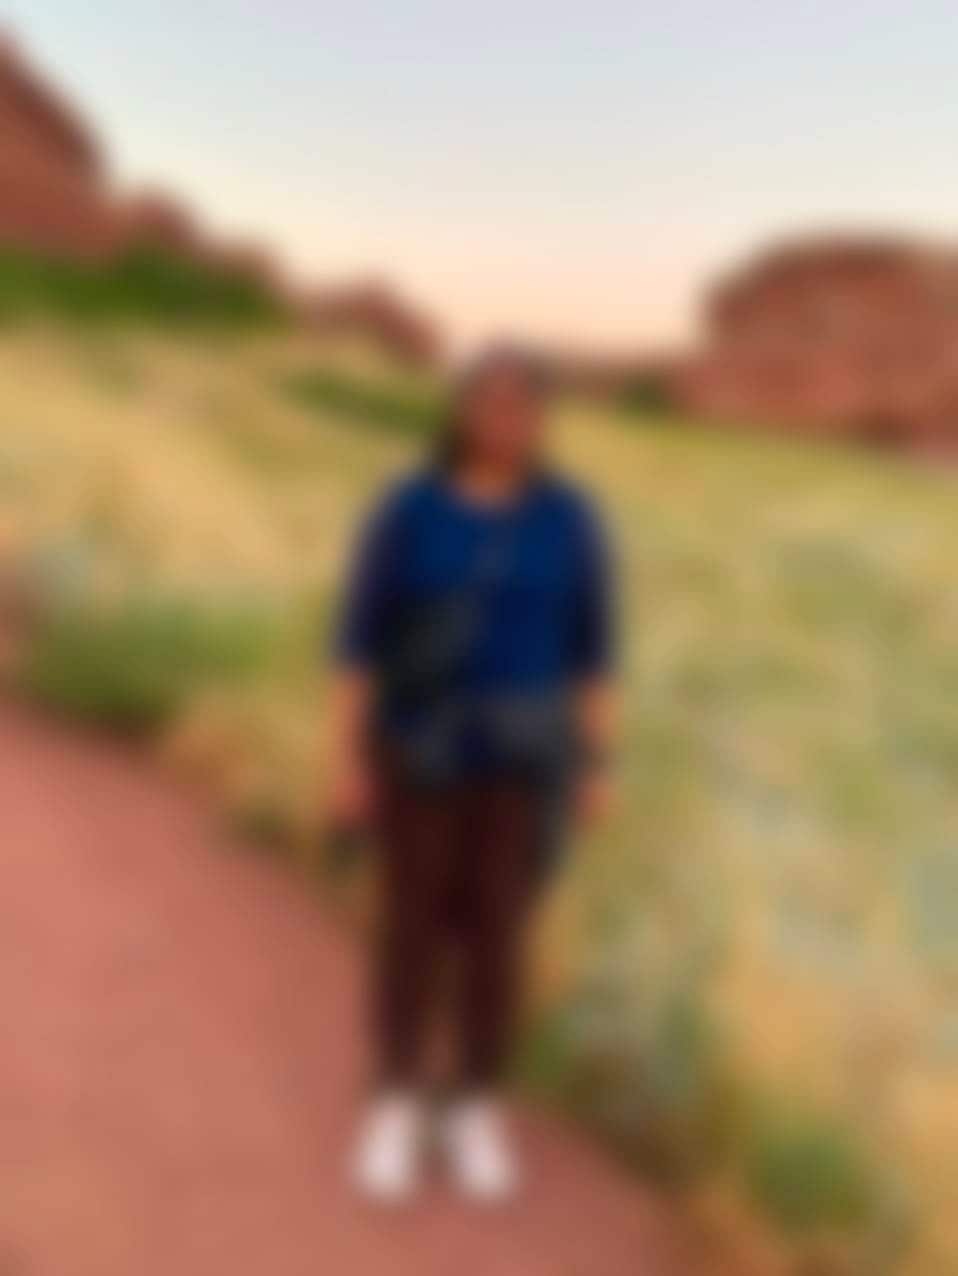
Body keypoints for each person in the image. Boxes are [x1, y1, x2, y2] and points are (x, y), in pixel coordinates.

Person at [326, 344, 618, 1203]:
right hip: (416, 749)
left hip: (522, 763)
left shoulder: (570, 518)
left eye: (522, 406)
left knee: (498, 940)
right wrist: (347, 760)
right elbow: (357, 642)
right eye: (489, 403)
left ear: (542, 419)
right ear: (460, 411)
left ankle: (473, 1106)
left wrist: (596, 762)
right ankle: (395, 1100)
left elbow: (593, 654)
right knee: (411, 929)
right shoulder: (408, 508)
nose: (505, 420)